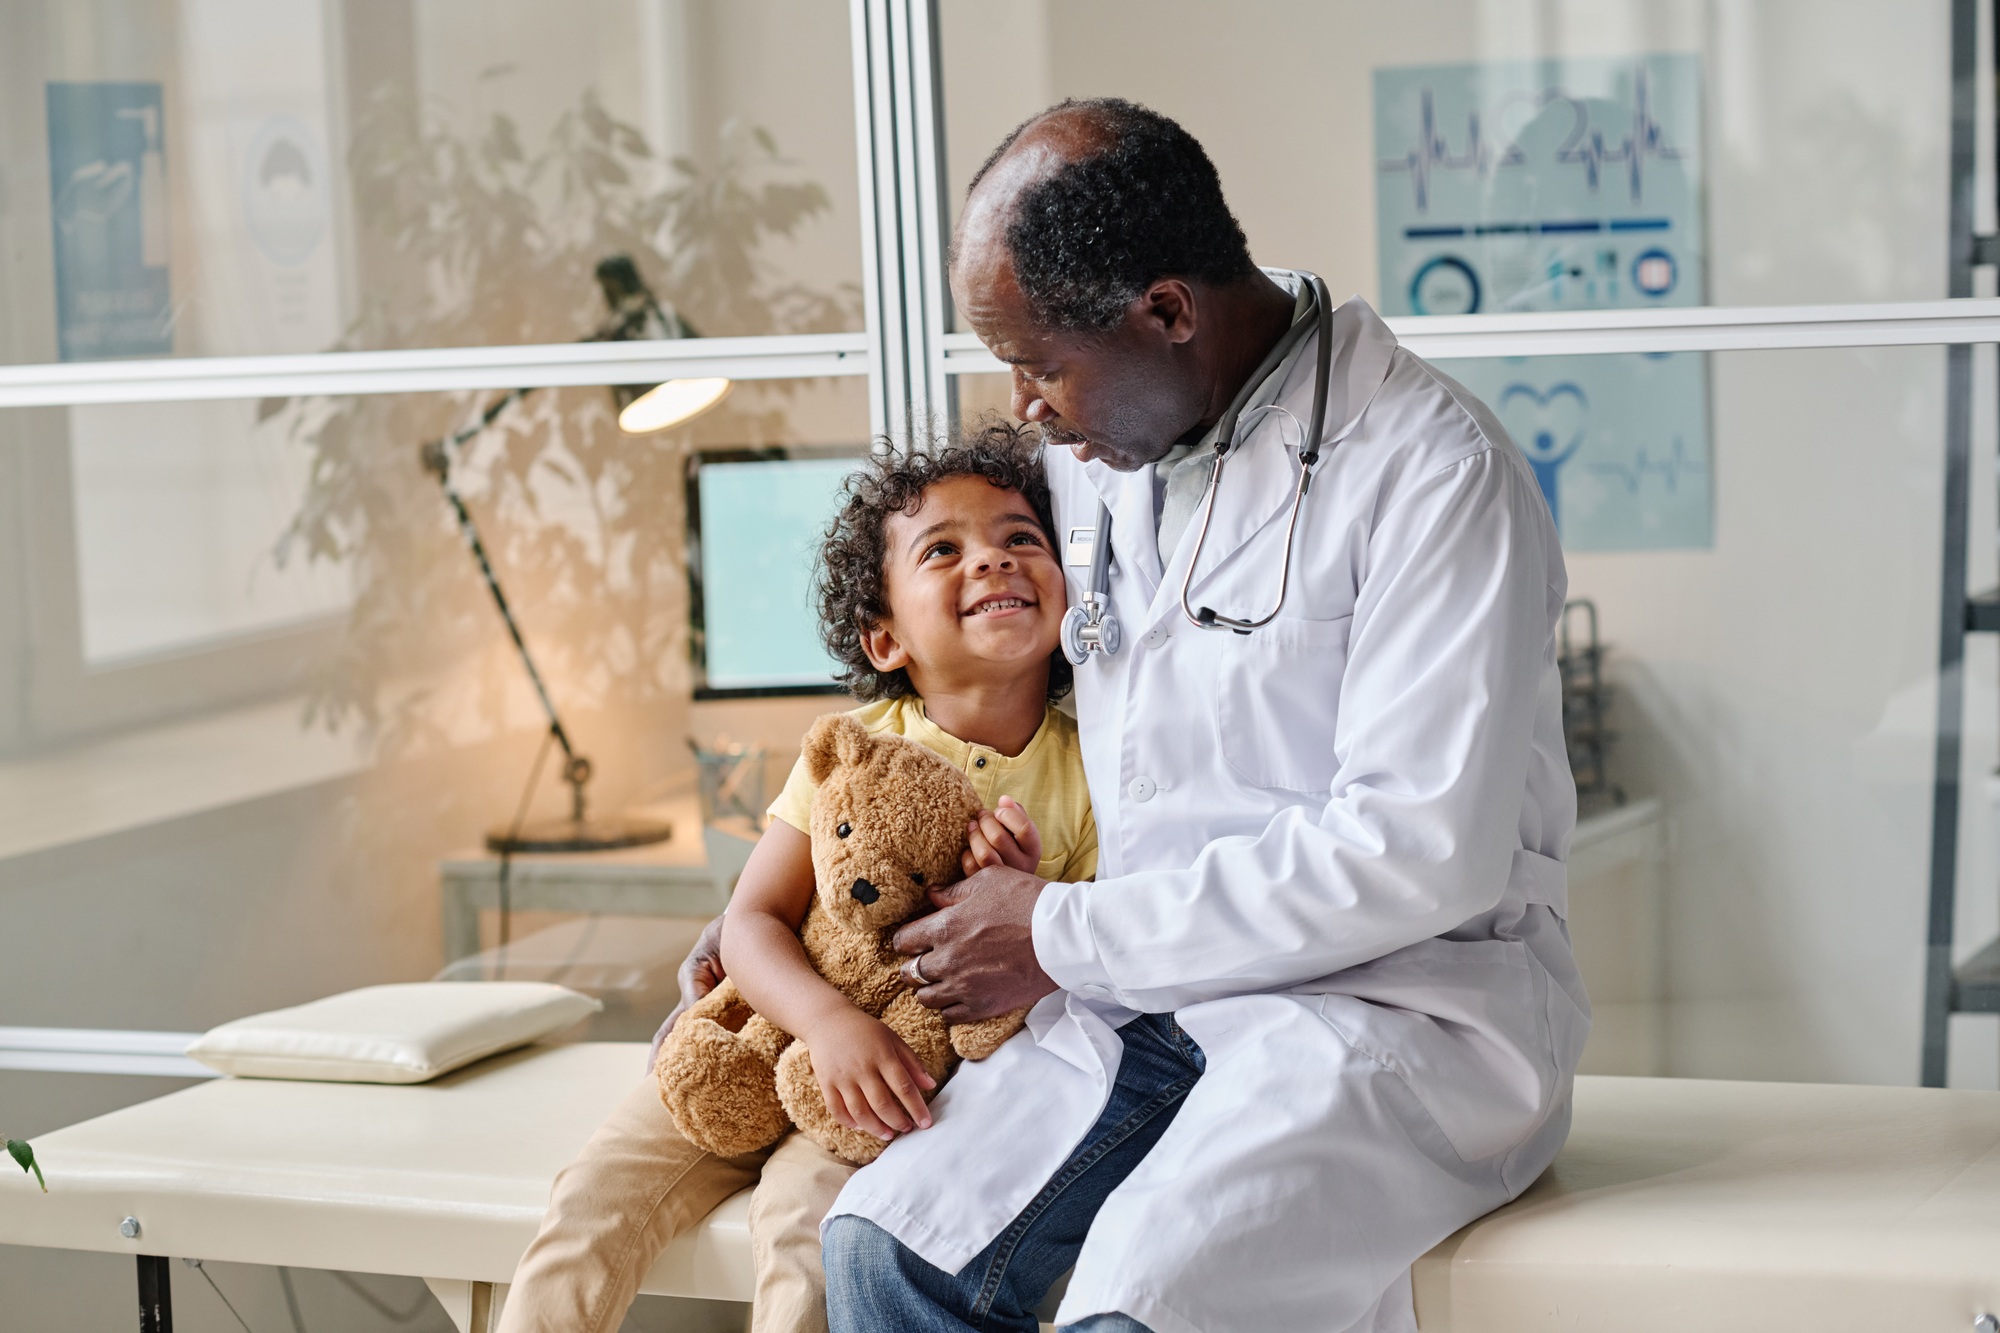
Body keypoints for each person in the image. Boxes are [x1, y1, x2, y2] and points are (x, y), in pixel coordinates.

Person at [810, 98, 1590, 1333]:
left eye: (1040, 364)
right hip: (1146, 998)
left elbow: (1415, 851)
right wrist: (774, 913)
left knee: (1138, 1308)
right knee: (880, 1249)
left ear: (1167, 312)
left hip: (1389, 1006)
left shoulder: (1432, 472)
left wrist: (1060, 931)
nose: (1024, 409)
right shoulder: (1102, 448)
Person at [496, 428, 1098, 1333]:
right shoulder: (848, 745)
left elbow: (1065, 975)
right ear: (885, 637)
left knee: (804, 1234)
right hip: (755, 1033)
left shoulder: (1089, 771)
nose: (992, 559)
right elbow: (751, 920)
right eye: (943, 549)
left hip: (890, 1088)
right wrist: (826, 1022)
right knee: (590, 1203)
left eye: (1021, 537)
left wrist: (1021, 901)